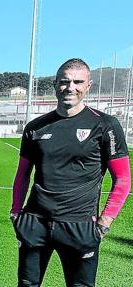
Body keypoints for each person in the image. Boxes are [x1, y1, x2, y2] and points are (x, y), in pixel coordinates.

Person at [11, 58, 131, 287]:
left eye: (77, 82)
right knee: (27, 284)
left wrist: (105, 222)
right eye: (64, 81)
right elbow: (22, 175)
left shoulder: (105, 125)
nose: (70, 87)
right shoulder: (35, 127)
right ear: (55, 84)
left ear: (89, 86)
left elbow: (123, 179)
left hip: (80, 225)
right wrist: (17, 213)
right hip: (35, 223)